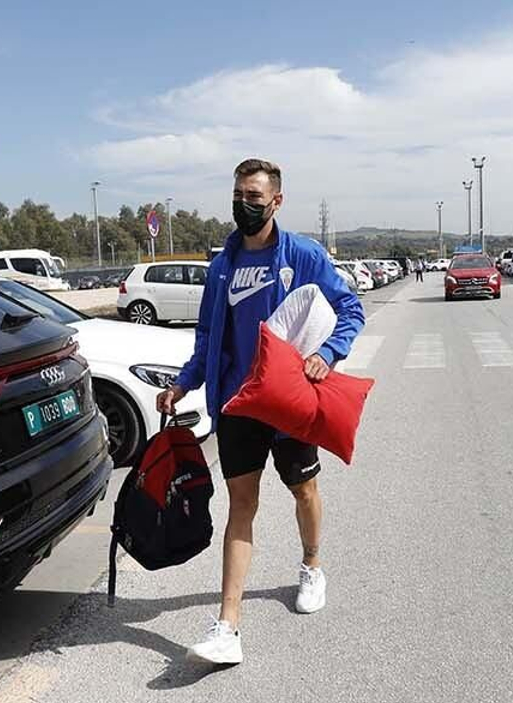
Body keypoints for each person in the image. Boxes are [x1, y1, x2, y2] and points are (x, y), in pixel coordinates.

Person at [156, 158, 364, 666]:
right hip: (237, 404)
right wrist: (184, 383)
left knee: (304, 489)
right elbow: (207, 336)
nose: (243, 205)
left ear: (276, 201)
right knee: (241, 506)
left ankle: (312, 564)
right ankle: (228, 626)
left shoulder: (305, 255)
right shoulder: (222, 265)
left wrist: (328, 353)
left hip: (289, 401)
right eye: (238, 195)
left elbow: (351, 310)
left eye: (254, 196)